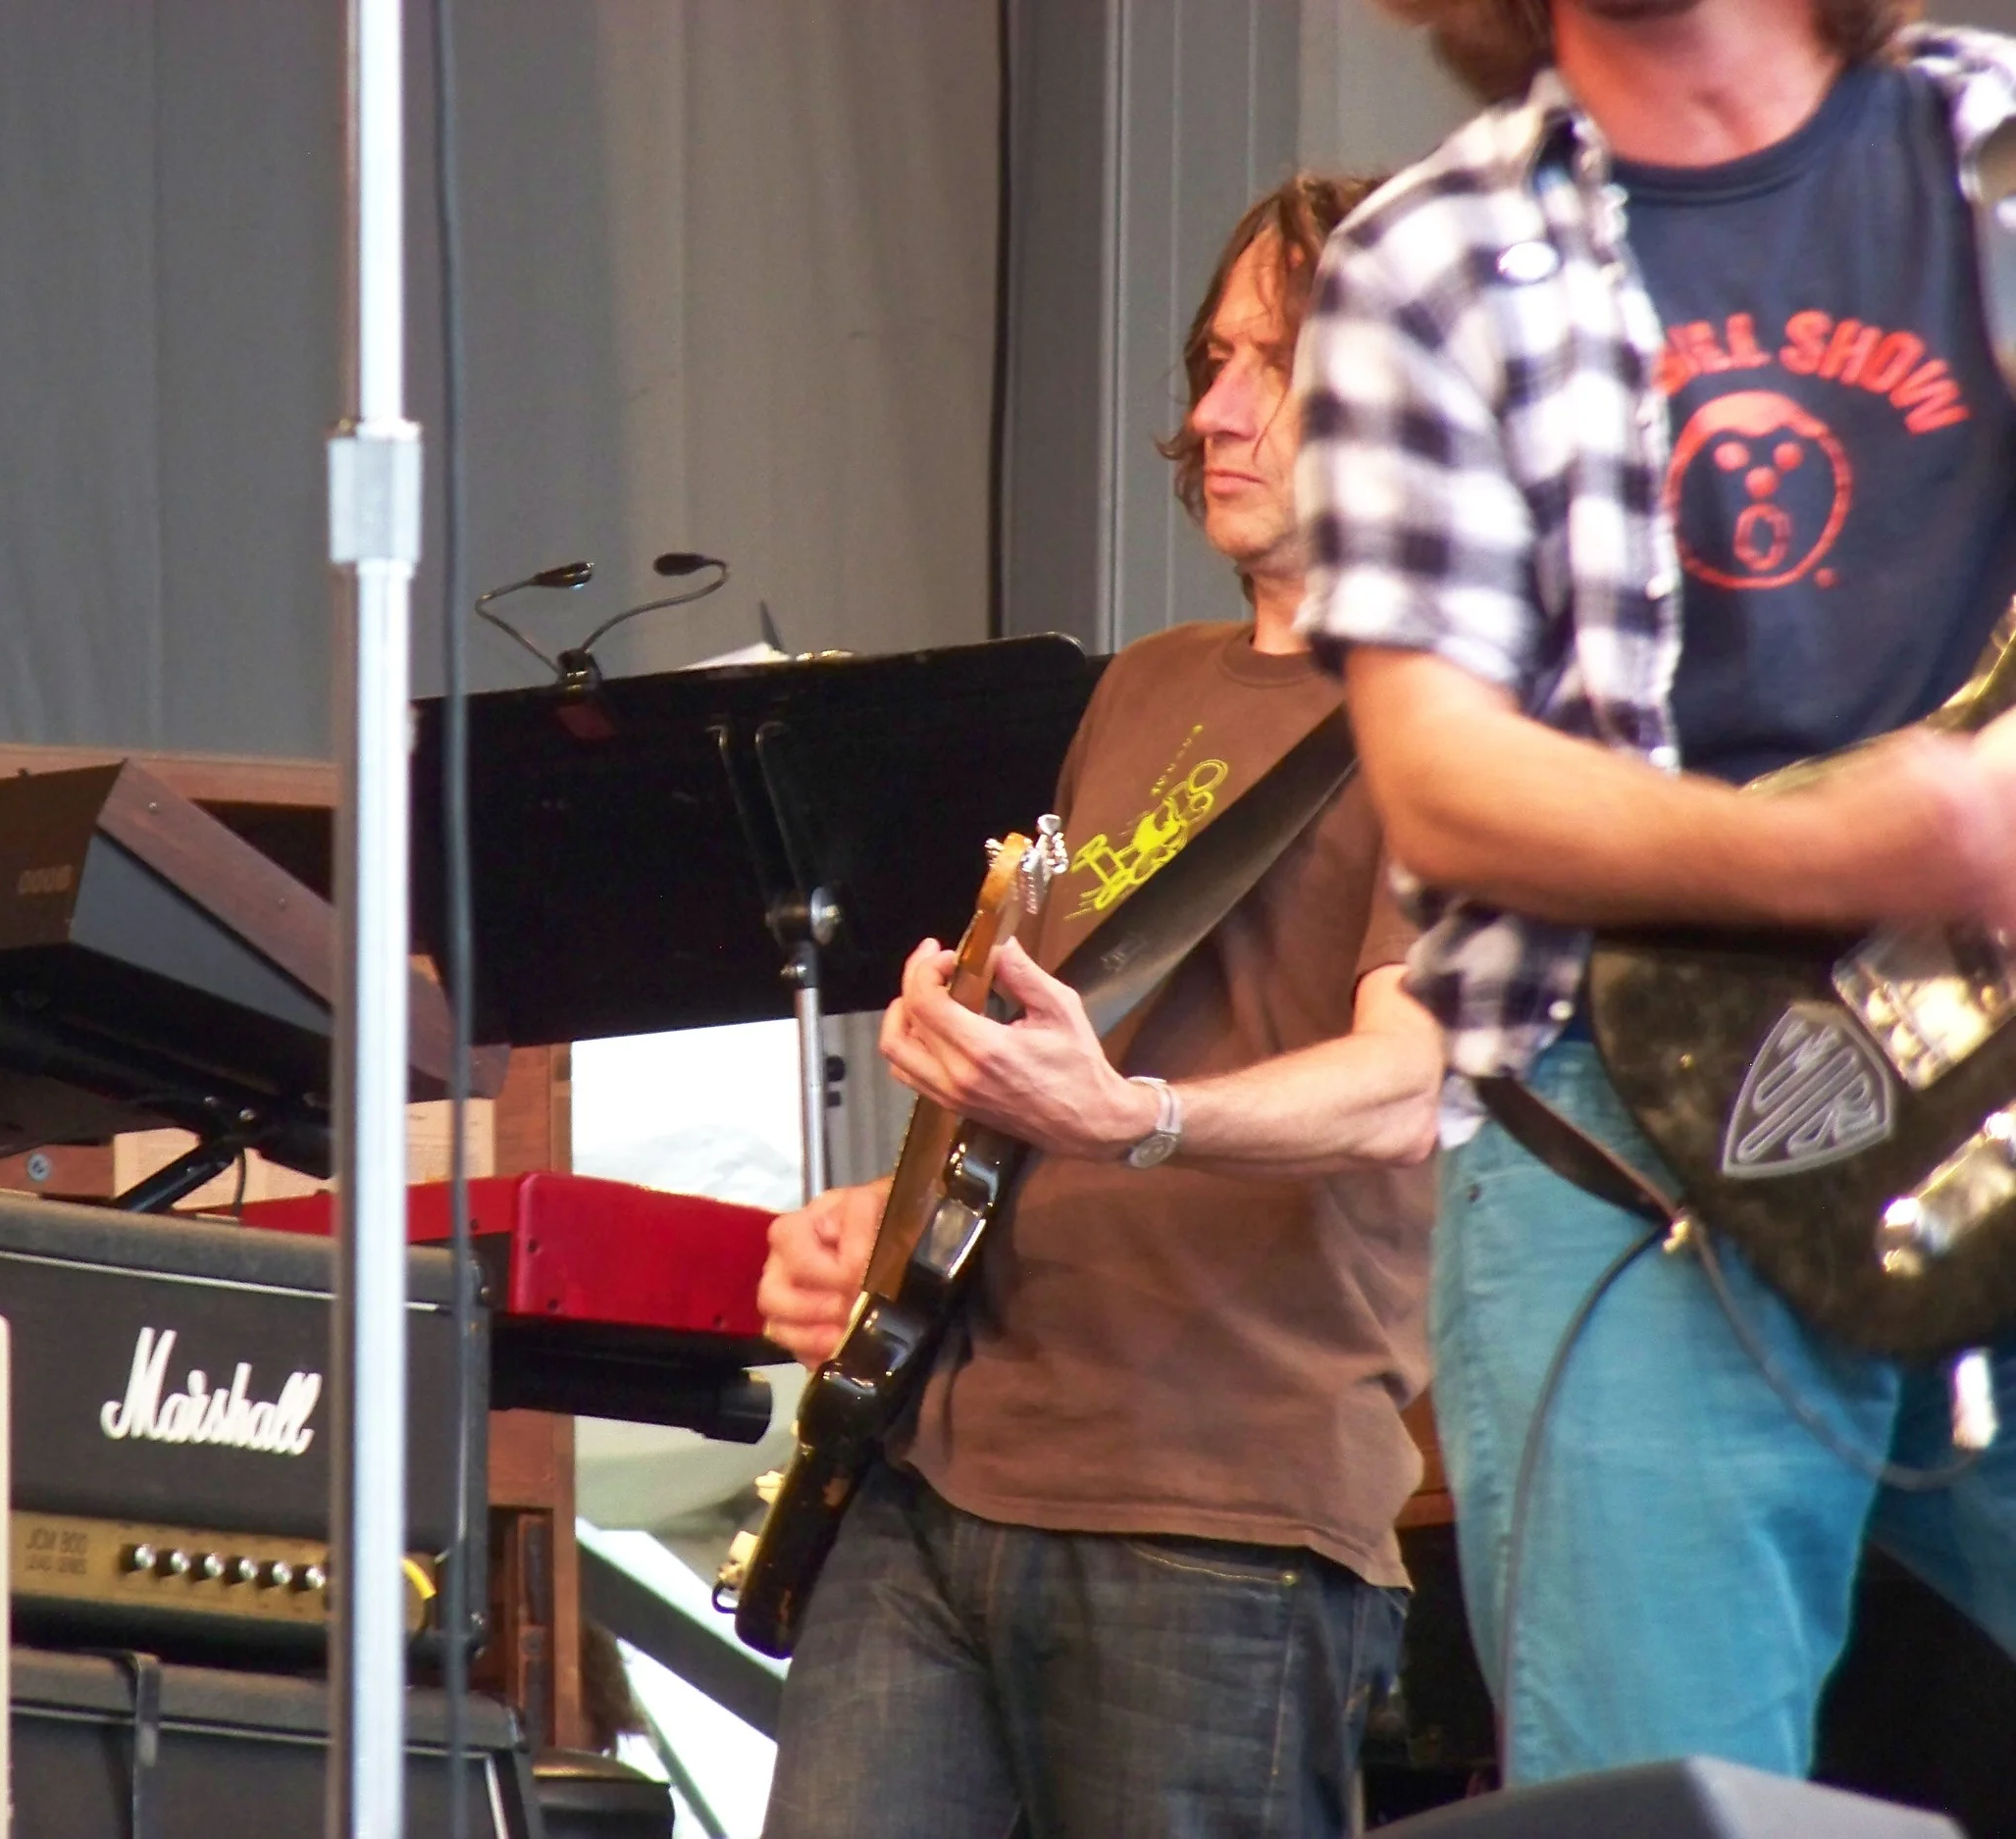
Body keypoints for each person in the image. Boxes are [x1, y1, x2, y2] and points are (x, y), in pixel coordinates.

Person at [1294, 0, 2016, 1787]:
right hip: (1623, 1134)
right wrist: (1855, 847)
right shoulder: (1425, 262)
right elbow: (1443, 775)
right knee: (1667, 1800)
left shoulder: (1996, 152)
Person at [756, 175, 1443, 1839]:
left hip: (1223, 1517)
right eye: (1214, 361)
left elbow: (1416, 1078)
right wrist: (890, 1215)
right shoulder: (1143, 683)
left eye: (1280, 365)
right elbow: (1062, 1052)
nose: (1215, 413)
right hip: (938, 1468)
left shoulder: (1460, 716)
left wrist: (1140, 1119)